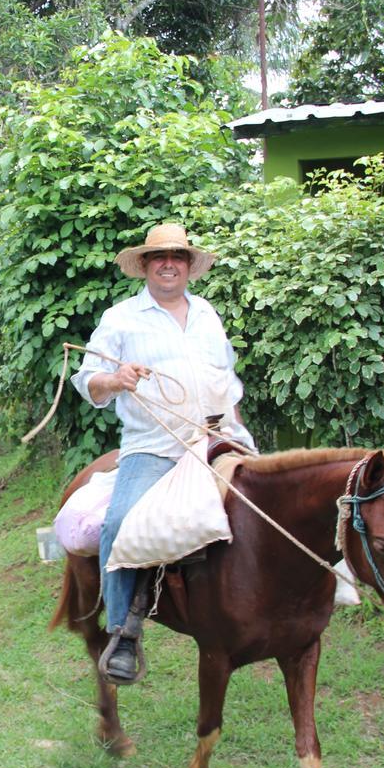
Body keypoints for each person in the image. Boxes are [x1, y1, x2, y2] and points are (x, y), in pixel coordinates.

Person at [70, 223, 251, 684]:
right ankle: (123, 633)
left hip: (217, 438)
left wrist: (241, 435)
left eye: (178, 257)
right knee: (121, 519)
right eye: (159, 258)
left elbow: (226, 380)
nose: (169, 264)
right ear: (146, 266)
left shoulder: (208, 313)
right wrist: (115, 379)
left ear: (189, 266)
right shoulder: (121, 318)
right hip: (155, 446)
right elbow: (87, 379)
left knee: (270, 506)